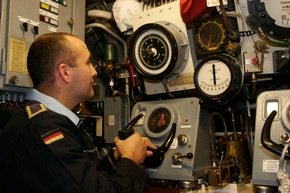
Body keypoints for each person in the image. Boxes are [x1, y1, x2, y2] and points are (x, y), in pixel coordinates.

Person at [0, 32, 157, 193]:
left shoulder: (42, 121)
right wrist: (131, 158)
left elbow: (80, 178)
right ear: (65, 72)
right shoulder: (43, 131)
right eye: (88, 62)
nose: (95, 72)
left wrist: (116, 157)